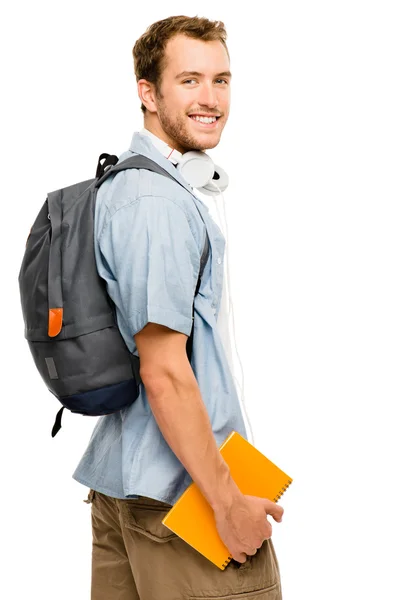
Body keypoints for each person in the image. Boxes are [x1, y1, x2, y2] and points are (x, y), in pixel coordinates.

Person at [73, 14, 284, 599]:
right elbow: (163, 370)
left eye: (221, 80)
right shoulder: (156, 203)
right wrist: (228, 503)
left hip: (127, 485)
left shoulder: (122, 186)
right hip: (180, 504)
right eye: (189, 80)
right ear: (148, 92)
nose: (211, 99)